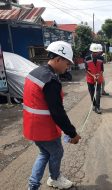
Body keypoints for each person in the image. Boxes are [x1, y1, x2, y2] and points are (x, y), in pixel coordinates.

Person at [23, 41, 81, 190]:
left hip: (32, 126)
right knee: (57, 152)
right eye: (67, 63)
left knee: (45, 153)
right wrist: (72, 133)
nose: (67, 67)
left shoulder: (35, 72)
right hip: (45, 128)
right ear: (58, 59)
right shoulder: (51, 81)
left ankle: (33, 184)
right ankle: (54, 178)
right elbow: (57, 112)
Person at [84, 43, 104, 114]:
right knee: (92, 93)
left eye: (98, 52)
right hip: (90, 78)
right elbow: (86, 69)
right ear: (92, 51)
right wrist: (93, 76)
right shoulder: (87, 58)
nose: (96, 54)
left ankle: (97, 107)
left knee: (98, 93)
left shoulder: (101, 58)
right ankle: (94, 105)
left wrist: (98, 75)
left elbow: (102, 69)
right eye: (95, 52)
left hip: (98, 77)